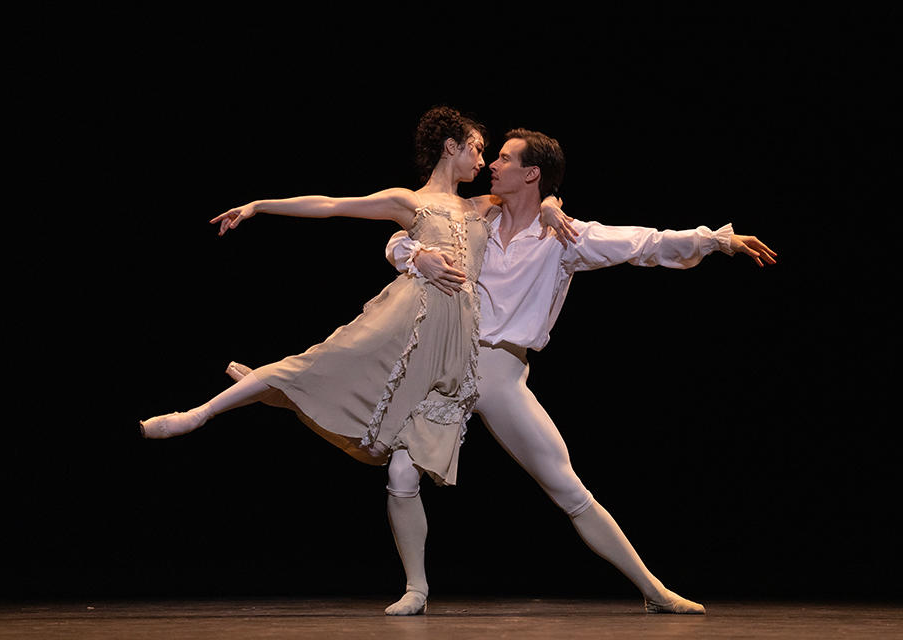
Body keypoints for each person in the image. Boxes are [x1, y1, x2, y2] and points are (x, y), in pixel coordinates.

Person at [378, 128, 775, 614]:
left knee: (568, 488)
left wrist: (718, 240)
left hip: (502, 375)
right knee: (401, 472)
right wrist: (416, 254)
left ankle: (654, 589)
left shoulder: (563, 235)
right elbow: (405, 234)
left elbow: (644, 244)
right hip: (451, 365)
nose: (491, 166)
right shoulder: (474, 220)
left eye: (503, 159)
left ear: (532, 174)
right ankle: (416, 590)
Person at [141, 106, 525, 490]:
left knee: (393, 442)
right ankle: (198, 413)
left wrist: (551, 207)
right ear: (449, 147)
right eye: (475, 148)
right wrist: (259, 206)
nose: (482, 160)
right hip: (407, 314)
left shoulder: (483, 206)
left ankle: (271, 392)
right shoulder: (409, 201)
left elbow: (535, 200)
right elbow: (332, 205)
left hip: (453, 338)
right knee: (316, 365)